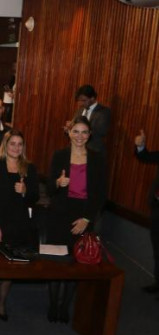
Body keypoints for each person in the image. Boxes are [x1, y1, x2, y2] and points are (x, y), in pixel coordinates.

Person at [46, 117, 107, 323]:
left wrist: (87, 219)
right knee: (57, 262)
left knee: (76, 262)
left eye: (84, 132)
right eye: (76, 132)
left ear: (89, 135)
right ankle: (53, 304)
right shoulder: (59, 155)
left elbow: (100, 194)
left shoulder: (97, 159)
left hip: (82, 215)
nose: (80, 136)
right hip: (58, 215)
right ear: (69, 133)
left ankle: (64, 307)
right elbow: (49, 189)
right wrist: (58, 182)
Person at [0, 129, 39, 320]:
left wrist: (25, 191)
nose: (16, 147)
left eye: (19, 144)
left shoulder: (29, 168)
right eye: (12, 143)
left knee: (10, 266)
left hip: (18, 224)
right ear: (5, 145)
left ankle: (2, 303)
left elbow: (35, 198)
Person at [134, 128, 159, 295]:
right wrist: (141, 146)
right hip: (158, 205)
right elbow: (146, 157)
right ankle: (158, 281)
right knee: (157, 245)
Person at [68, 84, 111, 156]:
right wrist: (70, 127)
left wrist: (81, 128)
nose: (81, 103)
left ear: (92, 98)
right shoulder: (80, 110)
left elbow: (102, 131)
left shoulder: (104, 111)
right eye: (79, 100)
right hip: (76, 151)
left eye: (84, 100)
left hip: (93, 151)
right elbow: (73, 126)